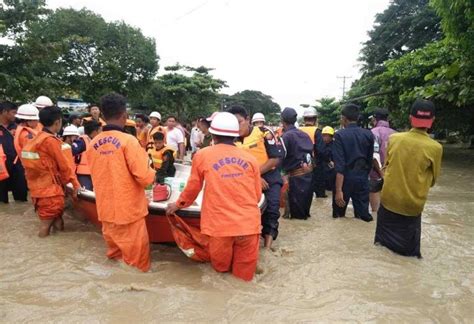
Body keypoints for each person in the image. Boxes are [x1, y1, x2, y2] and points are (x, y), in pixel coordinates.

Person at [166, 112, 262, 281]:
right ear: (235, 135)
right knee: (244, 280)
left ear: (212, 134)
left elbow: (193, 188)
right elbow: (256, 195)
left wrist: (178, 204)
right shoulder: (250, 158)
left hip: (220, 227)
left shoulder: (202, 155)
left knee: (220, 273)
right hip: (248, 225)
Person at [86, 93, 155, 272]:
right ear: (124, 115)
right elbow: (145, 177)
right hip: (129, 213)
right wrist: (152, 171)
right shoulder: (129, 141)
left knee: (115, 259)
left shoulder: (93, 143)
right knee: (136, 267)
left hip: (106, 212)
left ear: (102, 115)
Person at [375, 99, 442, 258]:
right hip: (412, 205)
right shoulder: (435, 148)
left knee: (382, 247)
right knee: (409, 255)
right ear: (432, 121)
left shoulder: (395, 139)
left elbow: (386, 165)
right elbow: (433, 180)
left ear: (410, 118)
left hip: (389, 200)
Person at [228, 105, 284, 249]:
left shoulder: (265, 133)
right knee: (247, 212)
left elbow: (275, 158)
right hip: (244, 180)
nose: (237, 127)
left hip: (269, 176)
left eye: (239, 122)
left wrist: (257, 175)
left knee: (272, 208)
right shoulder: (230, 139)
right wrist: (254, 178)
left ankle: (267, 247)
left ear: (248, 120)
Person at [21, 106, 80, 237]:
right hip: (50, 191)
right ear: (58, 122)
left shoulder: (37, 138)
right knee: (46, 226)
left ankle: (56, 247)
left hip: (38, 189)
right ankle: (43, 250)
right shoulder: (50, 141)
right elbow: (64, 167)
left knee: (57, 220)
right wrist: (76, 185)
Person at [333, 104, 374, 222]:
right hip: (362, 178)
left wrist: (339, 190)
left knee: (339, 218)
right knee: (363, 218)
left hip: (345, 179)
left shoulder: (340, 135)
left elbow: (339, 165)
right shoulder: (368, 134)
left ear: (344, 118)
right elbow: (370, 160)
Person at [280, 107, 314, 220]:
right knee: (304, 215)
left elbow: (280, 159)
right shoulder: (304, 135)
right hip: (308, 178)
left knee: (296, 218)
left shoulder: (286, 137)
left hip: (295, 179)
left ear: (282, 121)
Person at [369, 108, 396, 212]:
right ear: (387, 119)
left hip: (375, 174)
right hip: (392, 174)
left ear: (375, 119)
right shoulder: (396, 135)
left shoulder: (373, 133)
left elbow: (374, 155)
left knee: (376, 212)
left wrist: (381, 173)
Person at [0, 102, 28, 203]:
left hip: (18, 166)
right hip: (1, 168)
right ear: (4, 112)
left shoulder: (18, 128)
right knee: (2, 201)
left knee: (21, 198)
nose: (15, 115)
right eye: (13, 112)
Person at [300, 107, 326, 198]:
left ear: (304, 119)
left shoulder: (299, 130)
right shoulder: (317, 131)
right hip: (315, 164)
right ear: (315, 119)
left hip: (300, 164)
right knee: (319, 189)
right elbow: (321, 150)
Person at [72, 120, 102, 190]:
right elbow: (72, 151)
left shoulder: (95, 141)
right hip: (83, 174)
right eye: (100, 130)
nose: (101, 133)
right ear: (95, 131)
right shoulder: (81, 141)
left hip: (93, 172)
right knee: (85, 194)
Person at [321, 126, 336, 191]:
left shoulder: (335, 145)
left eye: (326, 136)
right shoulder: (321, 145)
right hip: (324, 169)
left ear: (331, 136)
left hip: (332, 169)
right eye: (323, 135)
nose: (324, 137)